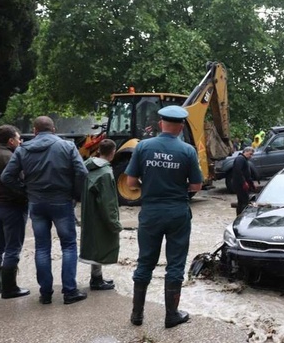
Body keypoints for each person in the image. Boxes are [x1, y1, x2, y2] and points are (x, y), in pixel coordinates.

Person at [125, 105, 203, 329]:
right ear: (180, 127)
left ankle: (137, 315)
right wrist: (177, 187)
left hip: (150, 212)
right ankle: (171, 315)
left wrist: (149, 187)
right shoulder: (187, 150)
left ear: (161, 124)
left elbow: (130, 183)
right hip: (177, 211)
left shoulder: (143, 147)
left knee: (145, 262)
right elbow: (196, 185)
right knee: (175, 264)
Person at [1, 116, 88, 305]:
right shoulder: (67, 146)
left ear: (34, 131)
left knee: (42, 248)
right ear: (54, 129)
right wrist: (74, 195)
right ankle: (70, 292)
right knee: (69, 246)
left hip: (37, 203)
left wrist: (26, 191)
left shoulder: (23, 149)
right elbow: (82, 172)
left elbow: (6, 177)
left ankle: (46, 293)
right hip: (62, 201)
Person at [0, 125, 30, 299]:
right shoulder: (11, 156)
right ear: (11, 140)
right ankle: (10, 288)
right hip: (12, 207)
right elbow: (20, 181)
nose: (20, 142)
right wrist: (25, 198)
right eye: (18, 139)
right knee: (12, 248)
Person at [79, 139, 122, 291]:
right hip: (100, 216)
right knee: (101, 245)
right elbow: (108, 201)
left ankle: (96, 277)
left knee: (94, 246)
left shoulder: (87, 167)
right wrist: (114, 223)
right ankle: (96, 280)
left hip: (88, 213)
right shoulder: (105, 173)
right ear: (113, 152)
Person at [232, 147, 256, 215]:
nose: (251, 156)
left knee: (241, 201)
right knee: (244, 201)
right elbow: (238, 171)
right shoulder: (240, 159)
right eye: (250, 154)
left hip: (243, 183)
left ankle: (240, 215)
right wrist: (243, 182)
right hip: (240, 184)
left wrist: (251, 184)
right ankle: (242, 215)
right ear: (246, 152)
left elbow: (247, 174)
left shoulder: (244, 160)